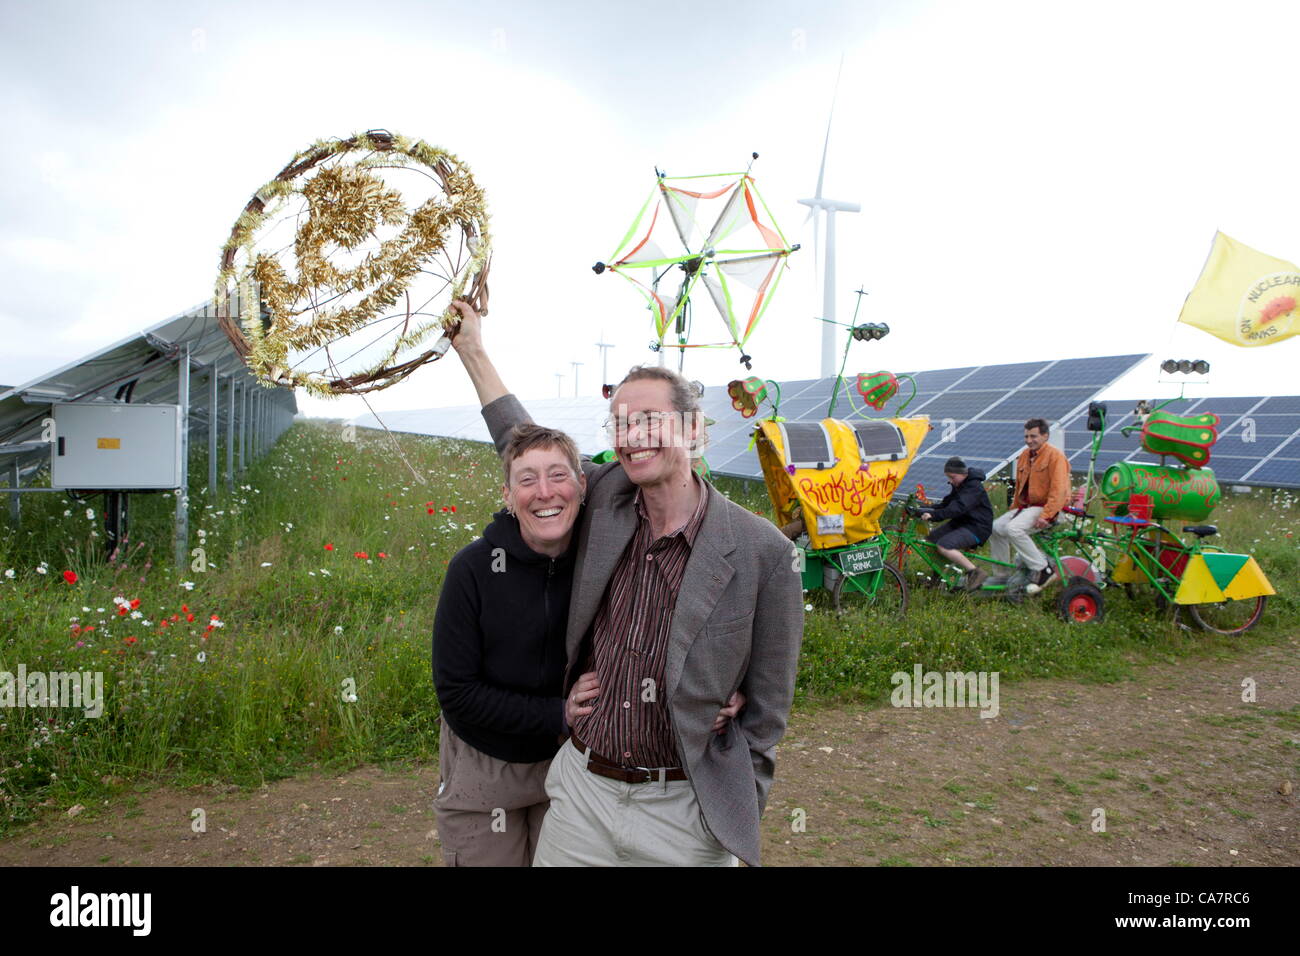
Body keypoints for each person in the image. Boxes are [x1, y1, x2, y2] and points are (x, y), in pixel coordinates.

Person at [450, 300, 804, 868]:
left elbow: (768, 712)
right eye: (619, 423)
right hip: (583, 797)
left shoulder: (764, 553)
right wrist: (472, 349)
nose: (630, 436)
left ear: (693, 429)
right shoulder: (604, 500)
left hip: (685, 814)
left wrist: (735, 799)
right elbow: (522, 439)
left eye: (647, 421)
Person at [431, 423, 742, 866]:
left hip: (572, 767)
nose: (544, 492)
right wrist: (555, 712)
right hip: (487, 765)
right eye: (527, 480)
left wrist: (729, 684)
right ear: (506, 494)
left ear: (583, 484)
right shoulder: (474, 569)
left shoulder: (607, 556)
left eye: (558, 475)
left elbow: (668, 625)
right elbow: (457, 691)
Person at [988, 418, 1071, 588]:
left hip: (1048, 508)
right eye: (1026, 436)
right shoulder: (1025, 455)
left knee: (1014, 529)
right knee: (995, 528)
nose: (1029, 440)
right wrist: (1013, 511)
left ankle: (1043, 569)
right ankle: (1002, 575)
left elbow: (1059, 490)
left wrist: (1047, 515)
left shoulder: (1055, 457)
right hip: (1027, 508)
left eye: (1033, 436)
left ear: (1045, 436)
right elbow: (1020, 488)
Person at [916, 456, 993, 590]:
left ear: (963, 474)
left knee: (944, 545)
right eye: (949, 478)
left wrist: (933, 516)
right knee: (931, 540)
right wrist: (922, 510)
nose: (950, 481)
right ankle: (941, 576)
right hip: (961, 523)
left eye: (953, 477)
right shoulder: (959, 485)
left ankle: (975, 572)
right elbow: (946, 505)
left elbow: (957, 508)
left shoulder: (973, 487)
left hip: (977, 527)